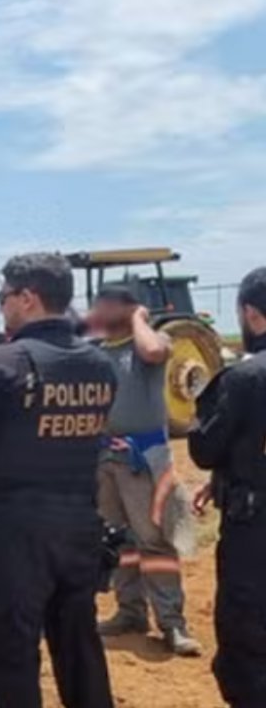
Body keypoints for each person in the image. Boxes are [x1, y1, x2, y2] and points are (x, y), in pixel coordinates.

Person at [0, 253, 118, 708]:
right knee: (79, 644)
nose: (0, 305)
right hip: (80, 521)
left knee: (9, 653)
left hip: (15, 525)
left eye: (3, 296)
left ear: (28, 298)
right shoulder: (99, 364)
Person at [90, 283, 201, 656]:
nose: (97, 312)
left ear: (128, 308)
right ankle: (130, 611)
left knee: (153, 539)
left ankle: (172, 622)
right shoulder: (97, 353)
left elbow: (153, 351)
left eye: (105, 305)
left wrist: (139, 319)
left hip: (143, 459)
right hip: (105, 458)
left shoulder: (153, 344)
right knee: (119, 540)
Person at [188, 267, 266, 707]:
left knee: (246, 640)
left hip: (254, 531)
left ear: (252, 315)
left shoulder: (244, 379)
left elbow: (205, 447)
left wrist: (200, 396)